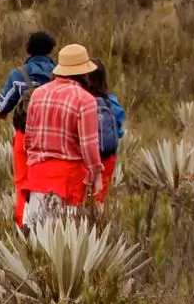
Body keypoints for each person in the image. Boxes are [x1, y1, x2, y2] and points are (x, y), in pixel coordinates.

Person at [13, 44, 105, 224]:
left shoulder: (38, 94)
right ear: (84, 73)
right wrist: (96, 174)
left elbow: (29, 139)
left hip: (38, 176)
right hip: (69, 179)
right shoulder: (86, 100)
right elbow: (89, 146)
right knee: (66, 233)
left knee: (36, 232)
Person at [82, 62, 125, 204]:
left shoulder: (80, 99)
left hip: (83, 158)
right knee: (100, 199)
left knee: (80, 199)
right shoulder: (111, 101)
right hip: (106, 157)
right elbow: (119, 131)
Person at [0, 30, 59, 119]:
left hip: (29, 125)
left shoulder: (18, 74)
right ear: (50, 49)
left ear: (29, 49)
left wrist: (1, 112)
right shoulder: (60, 73)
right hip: (57, 123)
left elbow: (2, 106)